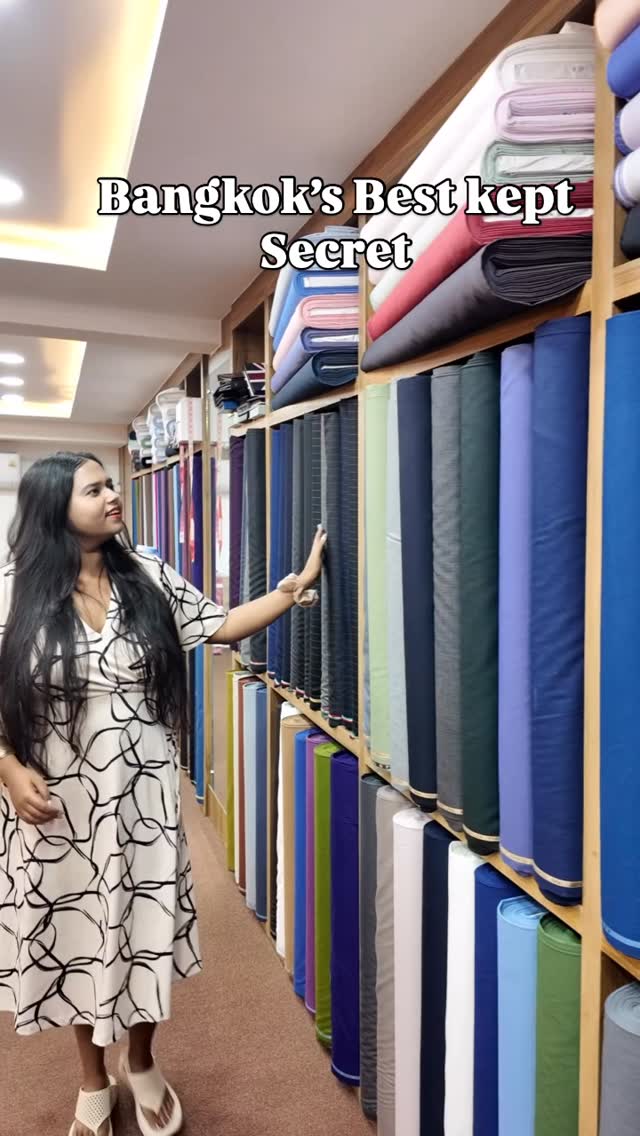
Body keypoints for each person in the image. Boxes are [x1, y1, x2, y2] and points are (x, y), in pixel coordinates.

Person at [0, 451, 326, 1136]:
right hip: (56, 801)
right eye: (94, 489)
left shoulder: (146, 573)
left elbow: (220, 625)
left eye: (110, 483)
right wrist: (6, 766)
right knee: (77, 935)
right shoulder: (13, 591)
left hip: (142, 794)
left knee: (143, 929)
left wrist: (292, 590)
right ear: (54, 507)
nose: (112, 495)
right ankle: (91, 1081)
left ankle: (141, 1061)